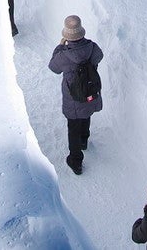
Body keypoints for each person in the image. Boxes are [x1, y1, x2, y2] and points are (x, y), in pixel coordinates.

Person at [48, 15, 103, 175]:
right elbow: (99, 56)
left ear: (67, 35)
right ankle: (84, 140)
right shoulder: (92, 47)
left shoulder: (64, 55)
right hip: (90, 91)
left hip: (73, 97)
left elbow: (53, 67)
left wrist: (59, 47)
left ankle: (75, 160)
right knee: (86, 114)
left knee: (73, 126)